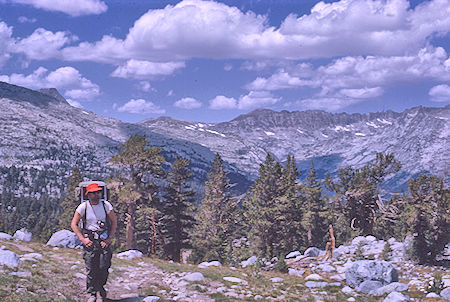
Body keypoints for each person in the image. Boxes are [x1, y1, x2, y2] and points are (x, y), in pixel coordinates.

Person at [71, 183, 117, 302]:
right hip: (90, 241)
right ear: (88, 194)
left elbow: (114, 222)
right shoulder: (83, 207)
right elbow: (74, 224)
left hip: (103, 240)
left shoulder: (106, 205)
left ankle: (101, 287)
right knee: (91, 267)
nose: (95, 195)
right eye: (93, 193)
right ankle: (92, 293)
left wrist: (109, 238)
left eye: (97, 192)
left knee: (104, 266)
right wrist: (82, 239)